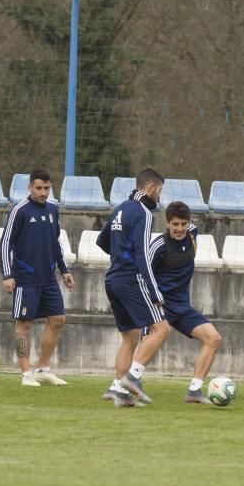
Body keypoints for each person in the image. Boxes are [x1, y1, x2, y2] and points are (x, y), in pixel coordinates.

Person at [96, 168, 170, 407]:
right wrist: (154, 289)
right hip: (130, 278)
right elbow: (142, 255)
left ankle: (117, 388)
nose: (159, 196)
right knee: (161, 329)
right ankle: (133, 376)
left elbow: (102, 240)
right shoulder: (144, 213)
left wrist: (119, 256)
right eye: (159, 191)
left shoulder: (121, 208)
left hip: (113, 279)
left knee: (130, 336)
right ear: (150, 189)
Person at [0, 169, 74, 387]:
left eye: (47, 188)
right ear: (30, 187)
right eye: (39, 188)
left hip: (48, 278)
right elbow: (5, 243)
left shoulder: (53, 210)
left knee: (58, 319)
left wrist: (64, 270)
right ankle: (25, 374)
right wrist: (7, 274)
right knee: (24, 326)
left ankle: (42, 368)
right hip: (25, 278)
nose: (43, 193)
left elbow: (55, 242)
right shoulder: (20, 210)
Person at [147, 201, 223, 403]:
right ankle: (121, 385)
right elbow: (144, 275)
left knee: (213, 338)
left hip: (182, 308)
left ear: (189, 223)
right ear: (167, 223)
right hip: (159, 306)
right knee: (141, 345)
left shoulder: (193, 234)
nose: (179, 229)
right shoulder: (158, 246)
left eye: (183, 224)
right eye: (175, 224)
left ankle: (194, 391)